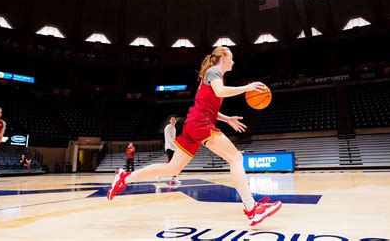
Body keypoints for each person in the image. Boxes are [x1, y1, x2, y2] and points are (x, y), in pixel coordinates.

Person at [107, 47, 282, 226]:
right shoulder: (214, 72)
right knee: (236, 158)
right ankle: (252, 210)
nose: (233, 61)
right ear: (222, 57)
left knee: (172, 169)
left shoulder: (212, 75)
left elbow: (208, 106)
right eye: (231, 58)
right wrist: (247, 87)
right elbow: (220, 92)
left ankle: (125, 178)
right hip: (199, 123)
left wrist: (226, 118)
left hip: (194, 123)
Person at [164, 115, 181, 186]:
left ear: (176, 120)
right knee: (170, 164)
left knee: (175, 164)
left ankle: (174, 178)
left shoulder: (174, 128)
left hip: (173, 148)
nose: (173, 120)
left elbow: (174, 139)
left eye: (174, 119)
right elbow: (169, 139)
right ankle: (159, 174)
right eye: (172, 119)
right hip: (169, 148)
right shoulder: (168, 127)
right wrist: (177, 146)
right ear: (170, 120)